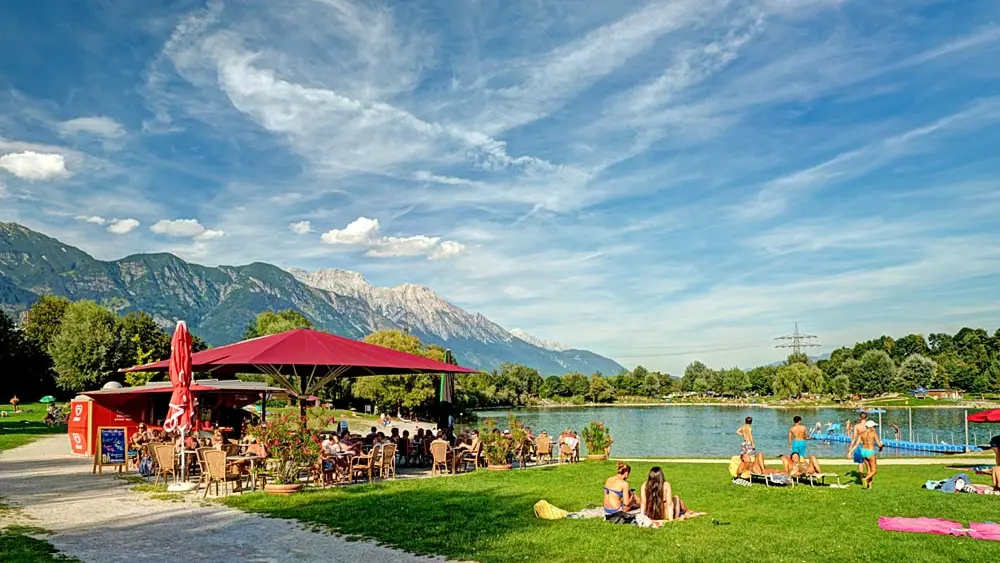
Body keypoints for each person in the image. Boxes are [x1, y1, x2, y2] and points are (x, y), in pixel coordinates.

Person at [848, 420, 884, 489]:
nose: (874, 428)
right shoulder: (873, 433)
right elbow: (879, 444)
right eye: (874, 426)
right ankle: (865, 479)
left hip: (863, 451)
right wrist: (881, 446)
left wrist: (850, 452)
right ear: (870, 427)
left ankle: (869, 486)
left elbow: (856, 444)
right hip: (870, 452)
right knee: (874, 471)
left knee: (869, 470)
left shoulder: (861, 434)